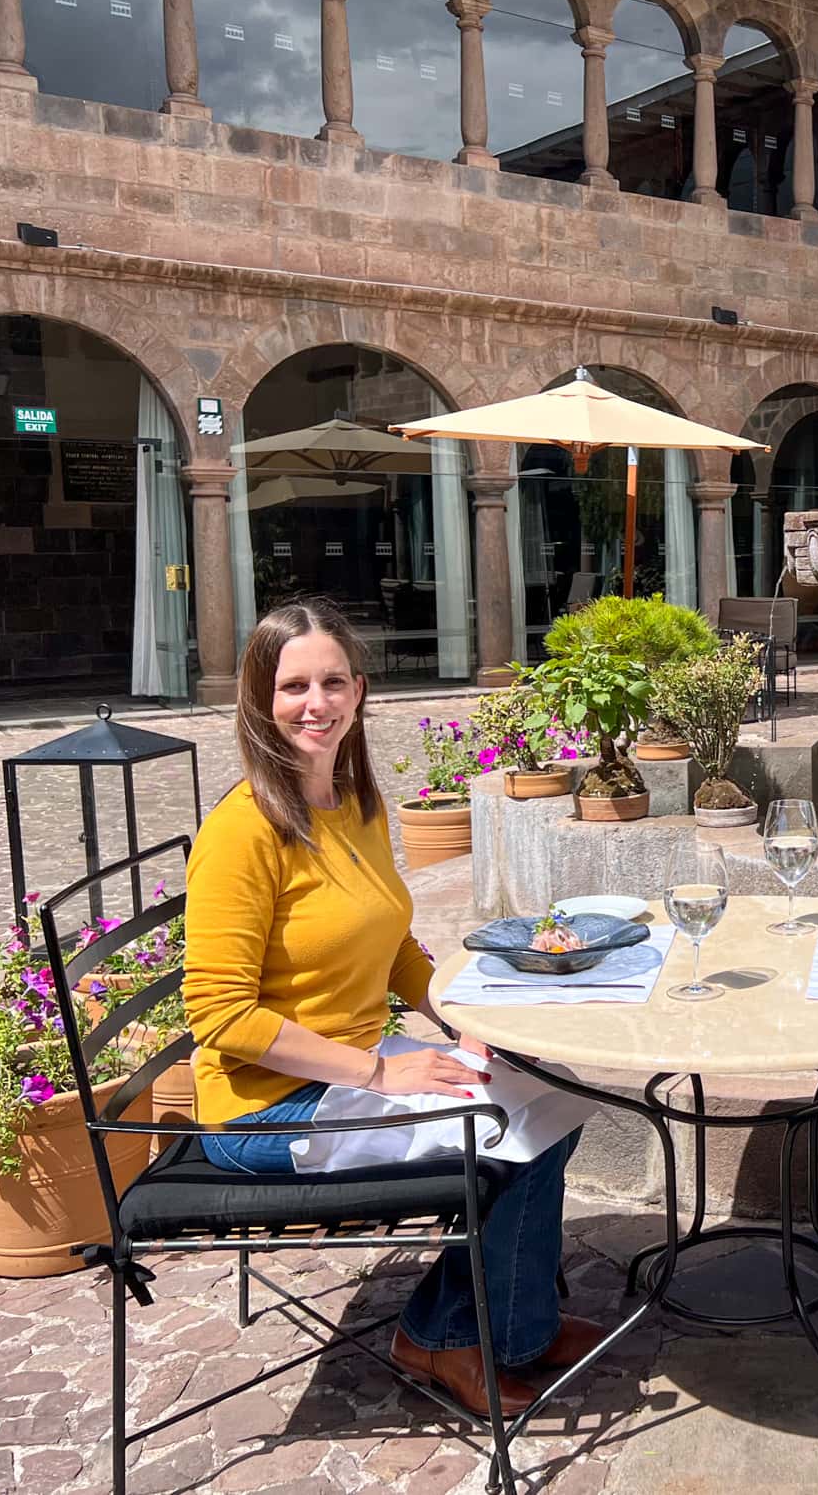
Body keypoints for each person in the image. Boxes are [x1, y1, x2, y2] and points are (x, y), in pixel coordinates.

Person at [183, 599, 602, 1419]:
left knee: (554, 1098)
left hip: (343, 1073)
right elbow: (220, 1017)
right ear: (258, 699)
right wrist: (383, 1067)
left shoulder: (355, 803)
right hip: (266, 1109)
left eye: (333, 681)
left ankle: (518, 1323)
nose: (317, 702)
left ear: (360, 691)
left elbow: (399, 947)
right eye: (293, 685)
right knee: (507, 1134)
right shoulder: (244, 832)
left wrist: (467, 1012)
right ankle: (442, 1334)